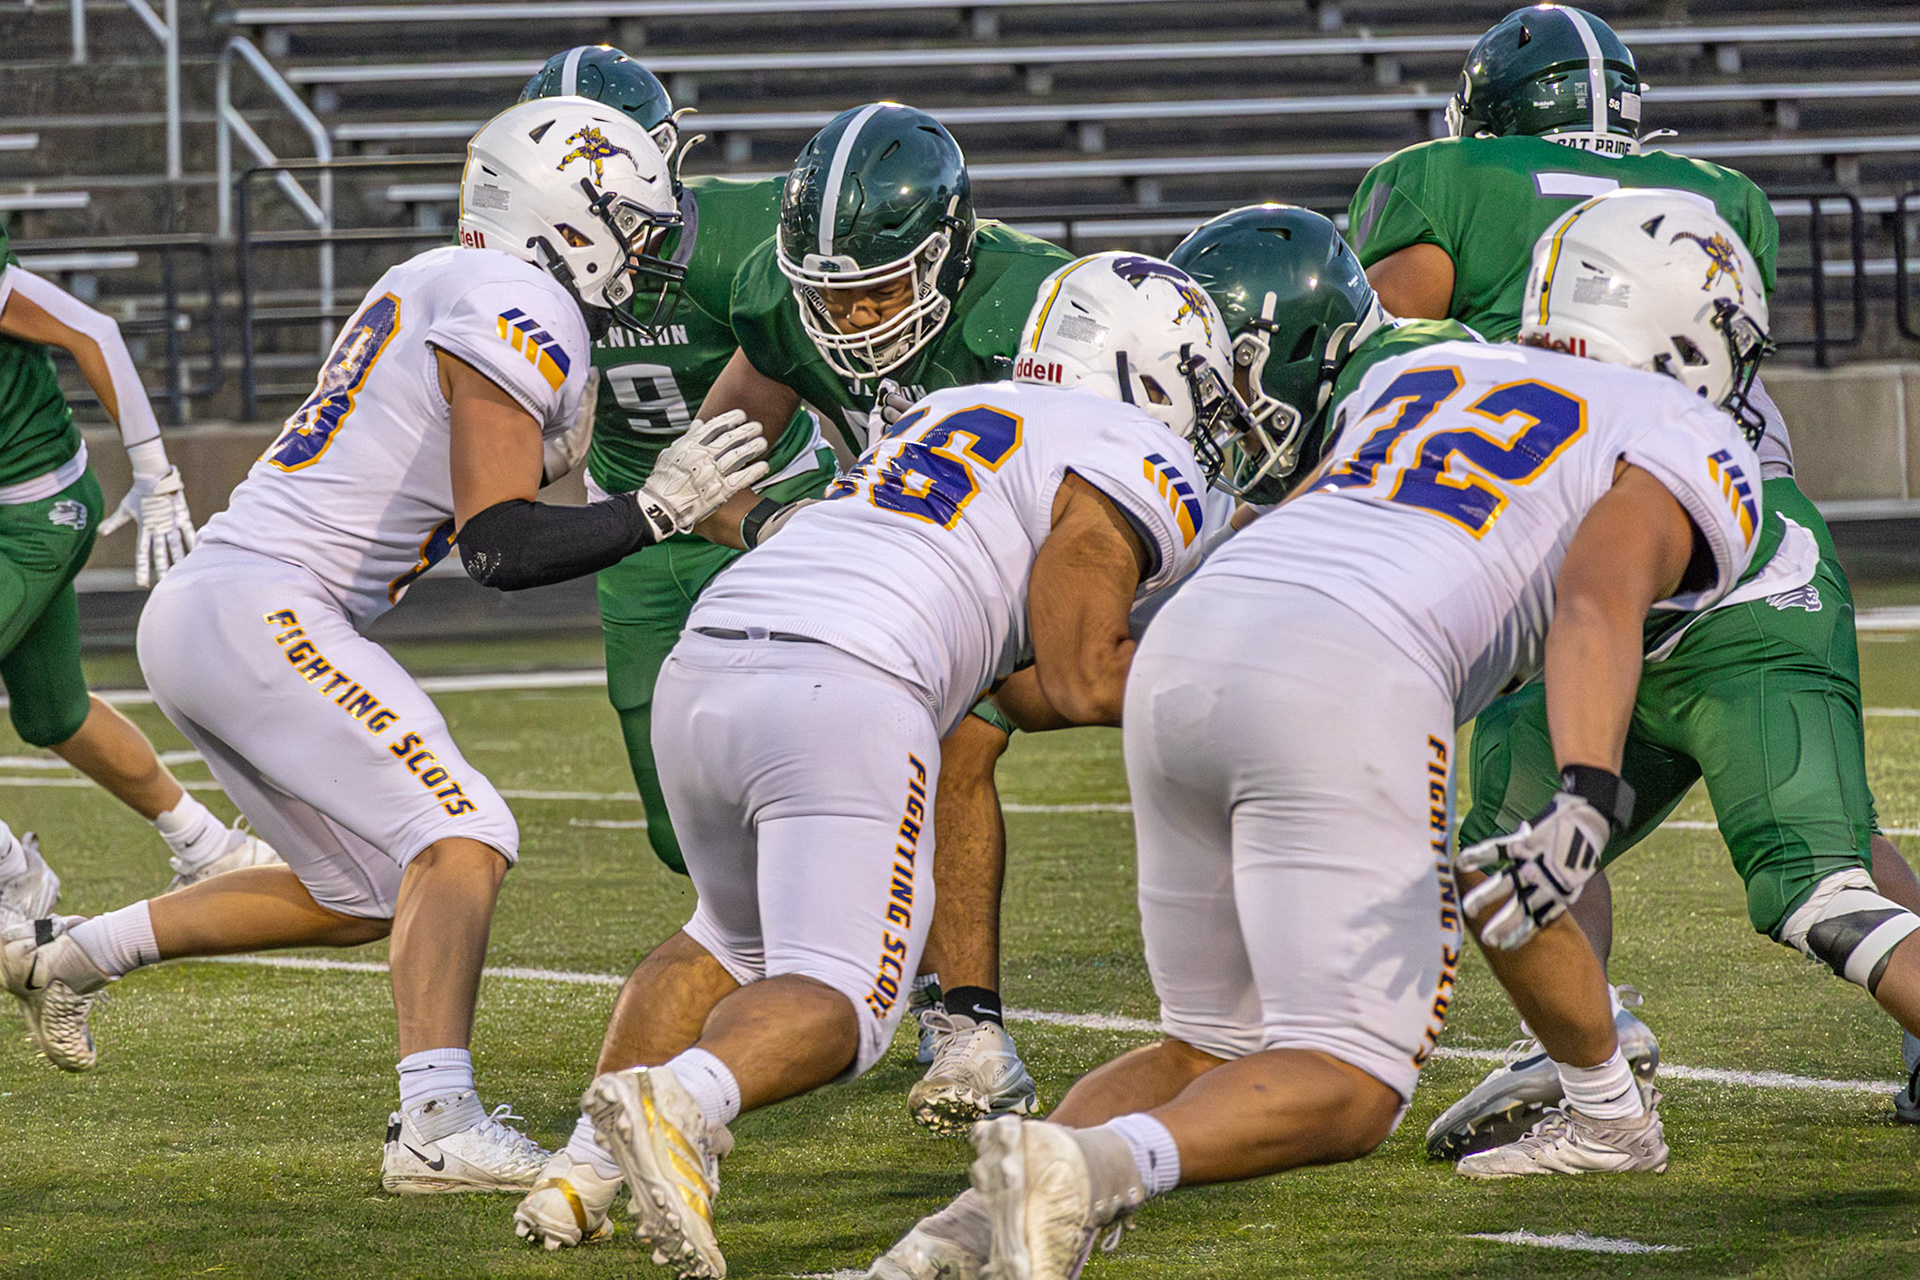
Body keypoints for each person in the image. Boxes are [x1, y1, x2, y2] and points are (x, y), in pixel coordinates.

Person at [872, 189, 1768, 1280]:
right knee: (1350, 1080)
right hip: (1351, 665)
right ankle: (1096, 1164)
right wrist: (1584, 788)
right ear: (1697, 323)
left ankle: (959, 1241)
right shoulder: (1677, 423)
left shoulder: (1416, 373)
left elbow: (1302, 510)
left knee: (1207, 1044)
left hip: (1199, 638)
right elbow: (1595, 596)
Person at [0, 97, 768, 1192]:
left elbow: (480, 494)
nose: (646, 247)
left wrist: (635, 495)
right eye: (631, 222)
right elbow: (497, 546)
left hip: (222, 609)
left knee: (362, 889)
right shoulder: (519, 299)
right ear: (569, 220)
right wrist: (654, 510)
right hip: (268, 605)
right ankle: (435, 1123)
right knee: (462, 831)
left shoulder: (439, 276)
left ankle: (74, 953)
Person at [512, 252, 1247, 1273]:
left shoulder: (950, 409)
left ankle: (580, 1169)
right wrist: (1248, 681)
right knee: (846, 1003)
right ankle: (679, 1100)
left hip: (717, 646)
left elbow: (1018, 682)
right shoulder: (1124, 444)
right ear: (1151, 370)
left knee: (728, 936)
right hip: (848, 679)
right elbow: (1084, 675)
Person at [1345, 1, 1920, 1151]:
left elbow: (1385, 339)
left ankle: (1595, 1049)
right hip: (1701, 511)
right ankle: (1589, 1061)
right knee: (1511, 852)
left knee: (1812, 879)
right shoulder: (1721, 194)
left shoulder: (1445, 179)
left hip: (1684, 558)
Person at [616, 100, 1074, 1139]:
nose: (853, 318)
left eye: (877, 290)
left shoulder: (1041, 311)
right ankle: (950, 1015)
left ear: (950, 254)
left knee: (976, 736)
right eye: (832, 293)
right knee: (930, 746)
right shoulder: (781, 304)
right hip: (887, 586)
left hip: (1041, 553)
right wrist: (784, 519)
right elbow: (701, 475)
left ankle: (964, 1019)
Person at [520, 46, 838, 880]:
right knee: (678, 826)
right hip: (637, 519)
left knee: (823, 751)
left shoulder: (749, 230)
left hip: (770, 496)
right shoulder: (513, 257)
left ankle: (854, 945)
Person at [0, 233, 280, 921]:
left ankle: (12, 877)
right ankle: (209, 846)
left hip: (35, 512)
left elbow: (92, 330)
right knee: (55, 713)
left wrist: (154, 470)